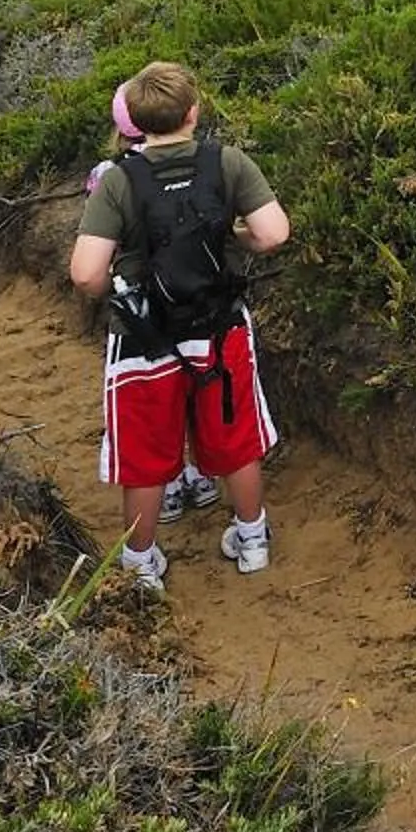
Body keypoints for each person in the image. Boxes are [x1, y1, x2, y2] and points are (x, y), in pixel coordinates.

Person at [67, 60, 290, 592]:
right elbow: (274, 233)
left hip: (144, 338)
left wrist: (119, 295)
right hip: (219, 327)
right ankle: (251, 539)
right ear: (194, 110)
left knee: (144, 456)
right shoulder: (227, 162)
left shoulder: (118, 180)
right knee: (236, 439)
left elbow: (84, 274)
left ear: (137, 122)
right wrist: (237, 240)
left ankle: (142, 564)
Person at [84, 79, 220, 525]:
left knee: (154, 407)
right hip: (201, 302)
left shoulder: (109, 176)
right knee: (199, 395)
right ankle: (202, 474)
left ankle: (171, 486)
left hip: (143, 314)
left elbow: (94, 260)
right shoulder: (205, 163)